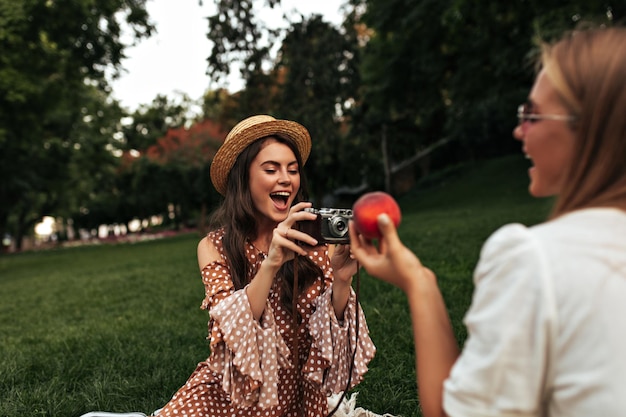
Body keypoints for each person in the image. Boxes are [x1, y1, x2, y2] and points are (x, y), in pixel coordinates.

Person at [348, 26, 626, 417]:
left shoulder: (534, 261)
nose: (517, 130)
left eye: (531, 115)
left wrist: (418, 281)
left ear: (590, 128)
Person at [155, 115, 377, 417]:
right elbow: (231, 333)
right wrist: (271, 263)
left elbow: (329, 339)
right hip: (230, 395)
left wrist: (341, 280)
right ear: (243, 178)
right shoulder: (214, 246)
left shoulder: (309, 237)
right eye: (271, 169)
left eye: (293, 170)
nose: (286, 179)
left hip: (296, 399)